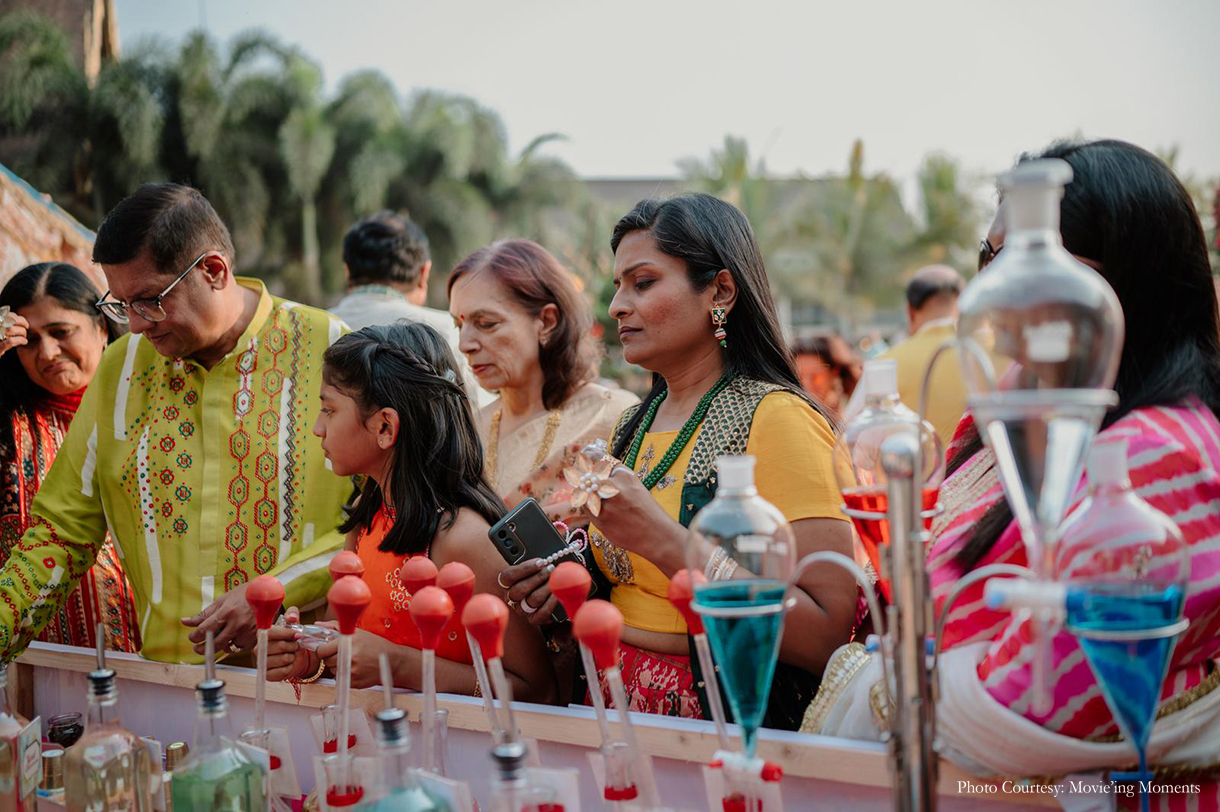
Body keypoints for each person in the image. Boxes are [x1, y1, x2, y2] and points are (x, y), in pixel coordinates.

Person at [806, 140, 1220, 808]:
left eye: (1032, 259)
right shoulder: (1017, 410)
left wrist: (898, 676)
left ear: (1123, 279)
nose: (992, 287)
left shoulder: (1160, 451)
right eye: (988, 256)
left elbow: (1041, 704)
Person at [504, 194, 857, 724]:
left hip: (717, 716)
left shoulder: (776, 418)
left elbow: (828, 632)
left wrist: (665, 540)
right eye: (619, 285)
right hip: (611, 704)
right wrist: (565, 580)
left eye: (643, 283)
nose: (618, 304)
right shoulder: (634, 424)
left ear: (720, 290)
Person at [0, 183, 350, 663]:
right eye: (122, 306)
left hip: (304, 684)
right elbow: (61, 531)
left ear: (213, 270)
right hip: (167, 691)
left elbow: (385, 518)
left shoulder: (331, 349)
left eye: (149, 299)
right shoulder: (121, 368)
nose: (138, 325)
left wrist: (276, 592)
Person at [265, 322, 555, 700]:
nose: (318, 428)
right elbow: (343, 641)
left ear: (385, 426)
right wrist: (310, 658)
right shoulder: (368, 514)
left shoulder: (463, 541)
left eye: (329, 410)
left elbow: (537, 690)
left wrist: (401, 665)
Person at [0, 263, 139, 652]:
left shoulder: (150, 409)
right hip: (38, 661)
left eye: (61, 333)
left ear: (100, 328)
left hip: (154, 657)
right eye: (29, 340)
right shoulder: (8, 426)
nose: (47, 352)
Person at [447, 239, 638, 523]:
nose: (465, 344)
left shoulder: (611, 417)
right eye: (459, 326)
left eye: (486, 324)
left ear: (547, 321)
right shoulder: (463, 430)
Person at [330, 211, 490, 405]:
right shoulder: (446, 332)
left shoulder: (312, 326)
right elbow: (478, 416)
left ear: (347, 270)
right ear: (425, 272)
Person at [871, 265, 966, 447]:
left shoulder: (886, 364)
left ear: (910, 311)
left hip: (919, 474)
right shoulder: (999, 353)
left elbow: (856, 442)